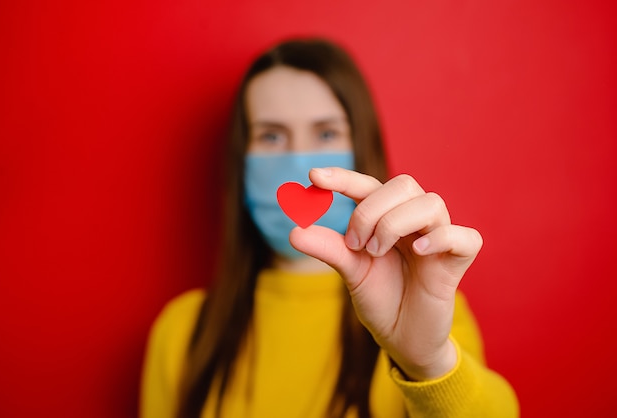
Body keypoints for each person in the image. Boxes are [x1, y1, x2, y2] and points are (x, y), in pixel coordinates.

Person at [140, 38, 519, 418]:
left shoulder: (428, 308)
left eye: (326, 134)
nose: (300, 160)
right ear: (241, 164)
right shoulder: (181, 333)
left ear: (361, 150)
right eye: (271, 136)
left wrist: (427, 363)